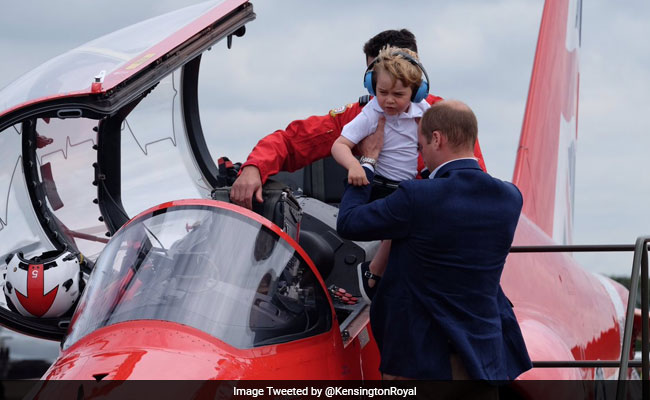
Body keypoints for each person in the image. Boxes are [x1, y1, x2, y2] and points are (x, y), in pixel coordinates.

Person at [336, 100, 532, 385]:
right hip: (483, 361)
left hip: (420, 363)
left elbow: (349, 222)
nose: (421, 156)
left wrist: (366, 162)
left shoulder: (417, 198)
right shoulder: (510, 198)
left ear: (437, 139)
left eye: (421, 147)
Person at [230, 29, 487, 210]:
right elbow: (291, 141)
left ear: (416, 78)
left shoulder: (449, 118)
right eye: (377, 81)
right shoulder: (359, 116)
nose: (383, 93)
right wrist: (254, 168)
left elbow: (476, 188)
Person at [331, 46, 429, 302]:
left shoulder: (423, 113)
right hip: (378, 185)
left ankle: (387, 278)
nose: (389, 100)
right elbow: (339, 145)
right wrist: (354, 166)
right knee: (397, 228)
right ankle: (372, 275)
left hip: (406, 187)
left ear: (416, 93)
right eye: (382, 92)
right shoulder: (372, 113)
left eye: (399, 94)